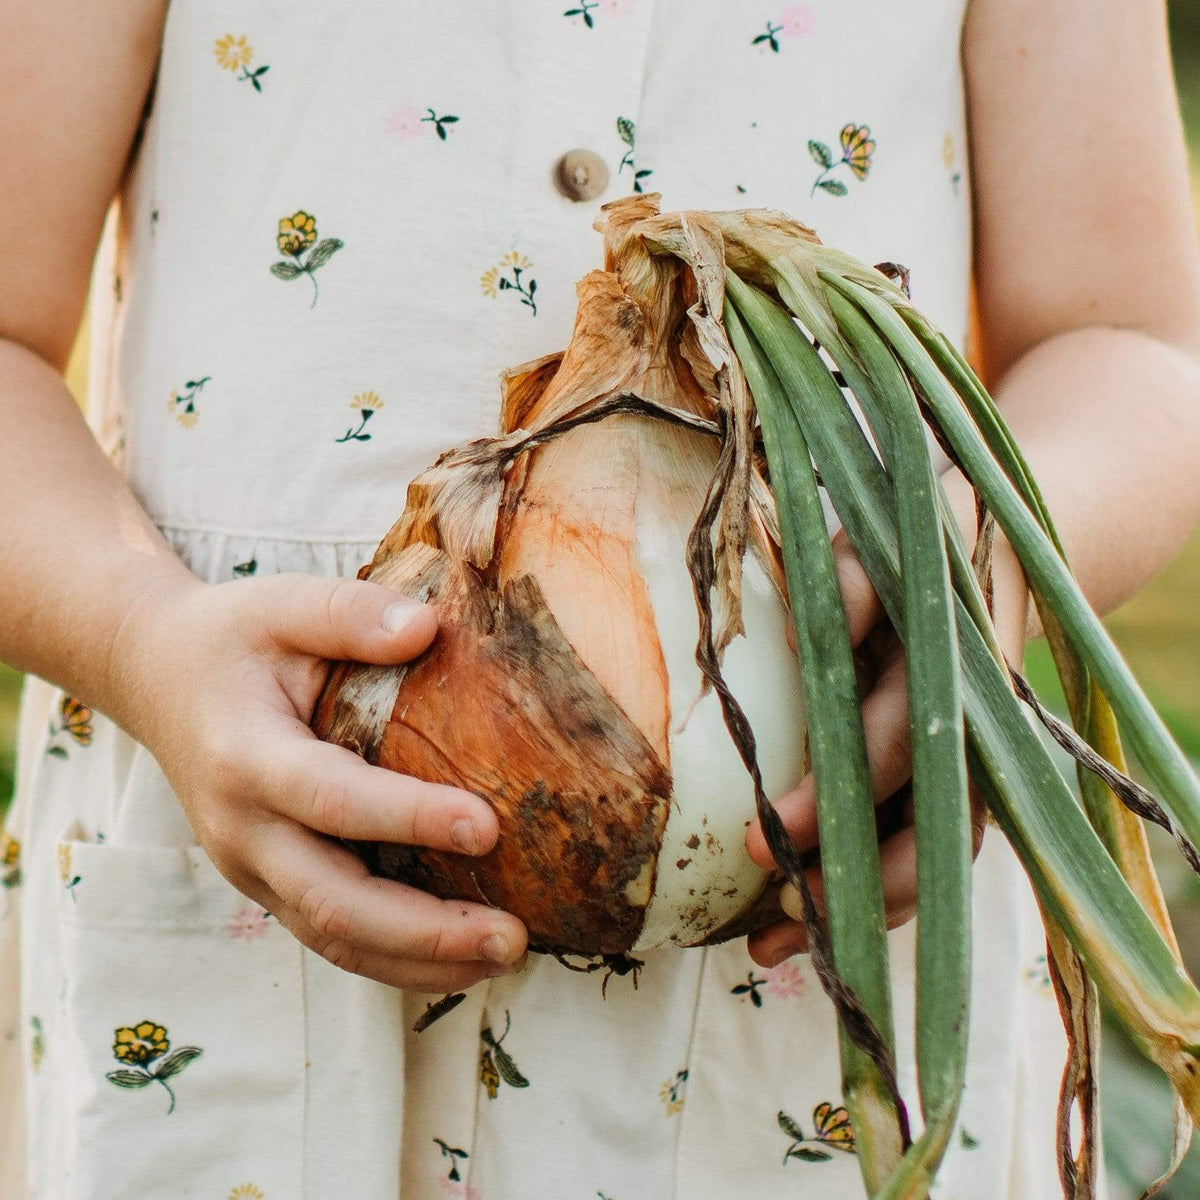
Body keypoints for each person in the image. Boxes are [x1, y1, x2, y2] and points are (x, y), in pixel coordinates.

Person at [2, 1, 1199, 1196]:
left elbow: (1133, 342)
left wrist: (964, 587)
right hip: (252, 898)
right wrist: (139, 638)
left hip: (801, 977)